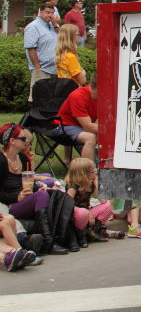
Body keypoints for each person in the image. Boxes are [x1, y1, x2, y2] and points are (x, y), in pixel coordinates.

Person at [0, 124, 67, 255]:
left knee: (49, 192)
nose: (27, 142)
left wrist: (38, 188)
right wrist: (16, 197)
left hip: (23, 200)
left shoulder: (23, 158)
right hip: (9, 204)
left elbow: (28, 183)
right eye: (23, 139)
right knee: (42, 196)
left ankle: (58, 237)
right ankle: (48, 242)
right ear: (12, 141)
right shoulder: (1, 161)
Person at [65, 158, 110, 246]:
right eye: (92, 171)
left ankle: (94, 231)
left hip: (86, 212)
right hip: (75, 213)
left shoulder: (90, 183)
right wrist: (88, 213)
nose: (95, 171)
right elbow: (67, 204)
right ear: (83, 174)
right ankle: (81, 235)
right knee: (83, 213)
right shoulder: (73, 186)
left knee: (108, 205)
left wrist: (96, 182)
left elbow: (103, 200)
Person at [57, 73, 98, 162]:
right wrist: (112, 130)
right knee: (91, 138)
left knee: (102, 134)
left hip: (79, 125)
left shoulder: (102, 98)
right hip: (64, 125)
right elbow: (88, 127)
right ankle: (88, 171)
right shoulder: (78, 96)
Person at [24, 4, 58, 101]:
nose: (50, 15)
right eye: (47, 12)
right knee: (39, 97)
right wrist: (37, 66)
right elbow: (31, 48)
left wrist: (55, 25)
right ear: (40, 12)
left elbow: (62, 37)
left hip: (54, 68)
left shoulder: (52, 26)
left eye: (52, 13)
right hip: (42, 68)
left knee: (51, 98)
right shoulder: (33, 27)